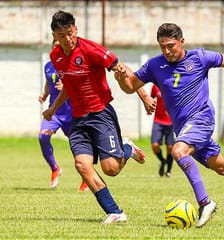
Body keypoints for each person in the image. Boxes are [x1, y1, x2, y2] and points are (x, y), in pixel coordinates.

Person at [114, 23, 224, 228]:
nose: (167, 51)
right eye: (162, 47)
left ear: (182, 42)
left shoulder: (200, 58)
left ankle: (205, 203)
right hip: (184, 127)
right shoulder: (154, 65)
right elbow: (131, 87)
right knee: (222, 167)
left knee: (178, 150)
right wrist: (121, 79)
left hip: (201, 119)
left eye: (171, 45)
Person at [43, 10, 150, 224]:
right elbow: (70, 86)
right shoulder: (55, 57)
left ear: (76, 29)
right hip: (78, 119)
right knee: (82, 165)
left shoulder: (91, 49)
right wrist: (53, 108)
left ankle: (126, 148)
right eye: (62, 35)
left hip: (101, 114)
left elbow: (123, 69)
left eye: (71, 33)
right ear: (54, 35)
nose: (68, 39)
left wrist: (144, 95)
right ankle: (115, 212)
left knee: (111, 169)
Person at [38, 39, 89, 192]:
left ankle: (86, 178)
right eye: (55, 47)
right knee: (43, 136)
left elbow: (83, 86)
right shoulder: (48, 66)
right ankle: (55, 168)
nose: (57, 50)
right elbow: (49, 82)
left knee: (79, 148)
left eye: (59, 47)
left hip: (72, 114)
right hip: (54, 112)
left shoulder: (73, 65)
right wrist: (45, 94)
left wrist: (68, 87)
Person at [150, 84, 174, 177]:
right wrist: (149, 107)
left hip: (170, 121)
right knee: (155, 145)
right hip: (158, 121)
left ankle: (168, 171)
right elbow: (150, 98)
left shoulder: (173, 84)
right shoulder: (155, 86)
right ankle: (163, 161)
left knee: (170, 147)